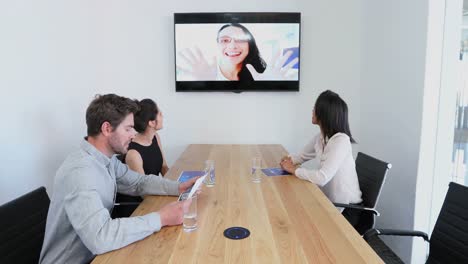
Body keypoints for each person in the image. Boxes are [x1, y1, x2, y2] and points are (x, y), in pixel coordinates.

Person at [39, 94, 198, 264]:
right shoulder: (80, 173)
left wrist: (178, 187)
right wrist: (161, 218)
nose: (133, 134)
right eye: (128, 128)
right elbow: (100, 237)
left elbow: (138, 182)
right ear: (107, 129)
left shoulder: (107, 161)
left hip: (99, 256)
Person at [280, 90, 362, 224]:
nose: (312, 110)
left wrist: (294, 170)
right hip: (327, 202)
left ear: (324, 113)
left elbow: (322, 178)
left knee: (296, 216)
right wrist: (288, 160)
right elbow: (301, 157)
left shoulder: (341, 141)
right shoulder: (321, 138)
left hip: (347, 210)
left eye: (315, 108)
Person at [177, 23, 299, 81]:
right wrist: (203, 84)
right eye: (225, 40)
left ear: (249, 45)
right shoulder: (204, 73)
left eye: (240, 40)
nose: (232, 46)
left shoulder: (263, 73)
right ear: (217, 44)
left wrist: (273, 85)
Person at [112, 98, 169, 218]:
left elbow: (163, 167)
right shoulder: (133, 154)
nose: (162, 115)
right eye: (159, 113)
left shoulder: (155, 137)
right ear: (151, 123)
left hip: (153, 197)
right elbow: (144, 191)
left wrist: (175, 187)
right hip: (137, 208)